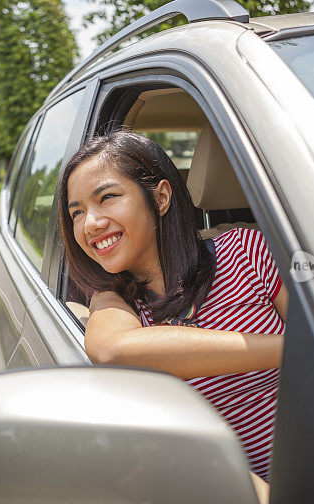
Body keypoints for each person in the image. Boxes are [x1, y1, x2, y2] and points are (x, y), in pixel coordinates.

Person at [57, 129, 288, 485]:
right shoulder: (116, 304)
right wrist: (291, 351)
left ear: (160, 197)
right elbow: (114, 350)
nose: (91, 223)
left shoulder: (246, 250)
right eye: (77, 213)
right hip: (229, 494)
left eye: (107, 198)